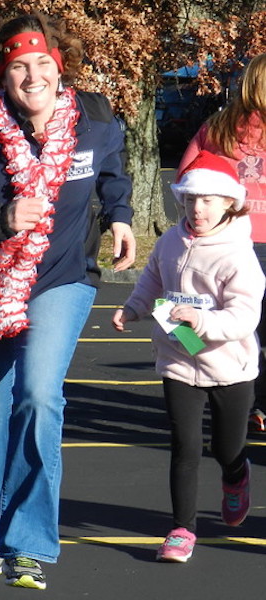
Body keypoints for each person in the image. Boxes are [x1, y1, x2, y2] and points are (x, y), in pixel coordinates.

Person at [0, 13, 136, 590]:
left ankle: (29, 542)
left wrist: (120, 216)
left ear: (60, 66)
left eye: (42, 63)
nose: (32, 76)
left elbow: (112, 169)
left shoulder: (96, 117)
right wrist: (1, 218)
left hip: (62, 278)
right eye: (18, 66)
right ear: (1, 73)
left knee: (39, 396)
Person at [113, 151, 263, 562]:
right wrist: (133, 308)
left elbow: (244, 316)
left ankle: (236, 475)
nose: (197, 209)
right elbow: (152, 279)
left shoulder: (238, 254)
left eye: (209, 200)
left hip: (229, 365)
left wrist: (202, 321)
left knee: (227, 447)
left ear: (229, 202)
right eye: (191, 200)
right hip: (178, 359)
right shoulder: (170, 240)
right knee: (185, 445)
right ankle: (182, 528)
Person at [177, 54, 266, 433]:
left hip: (228, 242)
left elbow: (186, 176)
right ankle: (259, 406)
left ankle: (224, 398)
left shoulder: (217, 127)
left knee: (225, 327)